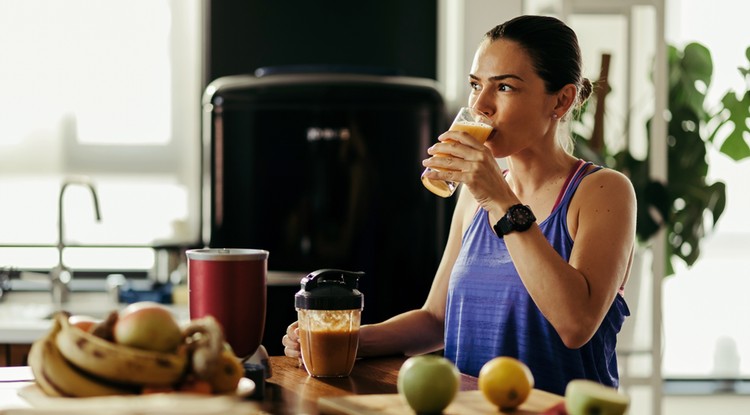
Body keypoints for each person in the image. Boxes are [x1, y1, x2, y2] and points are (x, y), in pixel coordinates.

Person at [283, 14, 635, 396]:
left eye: (504, 87)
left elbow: (576, 324)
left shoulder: (602, 191)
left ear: (562, 100)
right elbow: (436, 319)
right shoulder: (475, 195)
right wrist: (342, 339)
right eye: (475, 85)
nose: (481, 104)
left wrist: (500, 201)